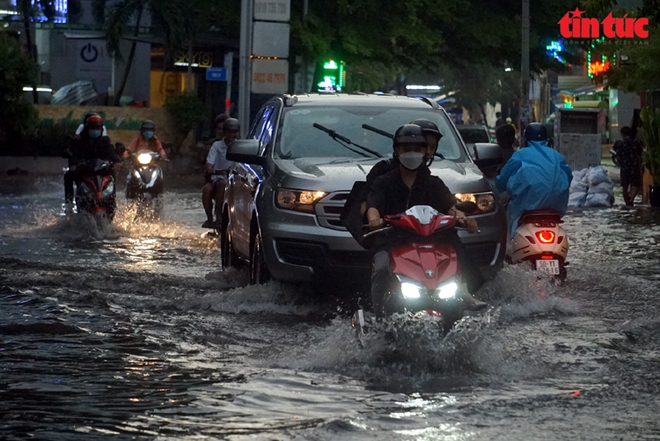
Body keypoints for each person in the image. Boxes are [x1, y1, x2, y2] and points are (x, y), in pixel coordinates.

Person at [364, 123, 486, 318]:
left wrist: (463, 219)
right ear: (397, 151)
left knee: (454, 253)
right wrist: (375, 219)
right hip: (392, 238)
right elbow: (373, 206)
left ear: (425, 152)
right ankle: (379, 315)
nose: (412, 153)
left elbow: (451, 206)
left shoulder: (433, 182)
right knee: (380, 266)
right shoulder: (384, 181)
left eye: (418, 149)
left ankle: (461, 296)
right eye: (406, 149)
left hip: (429, 238)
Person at [496, 122, 573, 240]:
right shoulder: (557, 156)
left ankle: (511, 242)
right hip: (556, 206)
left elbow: (503, 179)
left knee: (511, 215)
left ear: (525, 139)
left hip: (526, 205)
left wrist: (498, 188)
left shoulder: (520, 155)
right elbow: (569, 176)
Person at [64, 114, 121, 213]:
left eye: (98, 128)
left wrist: (116, 161)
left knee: (112, 174)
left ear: (101, 129)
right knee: (68, 175)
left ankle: (112, 198)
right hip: (84, 171)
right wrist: (74, 164)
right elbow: (73, 153)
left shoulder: (105, 141)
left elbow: (111, 152)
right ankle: (69, 205)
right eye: (93, 127)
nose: (95, 130)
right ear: (87, 128)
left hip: (101, 170)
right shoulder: (79, 141)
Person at [202, 117, 239, 228]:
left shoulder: (241, 146)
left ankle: (221, 217)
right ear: (224, 132)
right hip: (218, 178)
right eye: (229, 132)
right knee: (207, 189)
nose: (232, 135)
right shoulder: (216, 145)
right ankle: (212, 219)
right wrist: (210, 168)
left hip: (236, 180)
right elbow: (209, 162)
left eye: (235, 132)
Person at [613, 126, 644, 206]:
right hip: (634, 167)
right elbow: (640, 154)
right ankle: (632, 199)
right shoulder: (635, 143)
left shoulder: (619, 144)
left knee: (625, 186)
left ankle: (627, 202)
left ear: (622, 134)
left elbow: (614, 153)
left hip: (624, 168)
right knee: (634, 184)